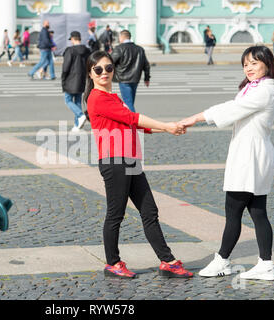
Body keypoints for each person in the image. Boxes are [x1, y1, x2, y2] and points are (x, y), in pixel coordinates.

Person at [83, 50, 193, 279]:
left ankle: (168, 262)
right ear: (91, 73)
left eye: (109, 68)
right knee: (115, 215)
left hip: (130, 160)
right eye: (98, 69)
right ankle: (113, 263)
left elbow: (131, 122)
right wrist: (166, 125)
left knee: (149, 211)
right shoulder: (97, 98)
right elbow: (133, 118)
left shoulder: (113, 97)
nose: (105, 72)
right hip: (115, 161)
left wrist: (167, 128)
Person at [179, 46, 274, 281]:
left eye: (254, 63)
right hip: (252, 154)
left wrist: (195, 117)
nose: (248, 68)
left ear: (267, 64)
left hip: (250, 157)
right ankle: (265, 264)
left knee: (233, 211)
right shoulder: (255, 87)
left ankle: (222, 260)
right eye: (245, 63)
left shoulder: (263, 91)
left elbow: (232, 109)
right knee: (257, 211)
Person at [111, 30, 150, 113]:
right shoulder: (139, 49)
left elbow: (110, 62)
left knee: (128, 103)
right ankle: (129, 123)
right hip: (135, 79)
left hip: (124, 79)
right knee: (130, 102)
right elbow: (146, 65)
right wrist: (147, 78)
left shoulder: (119, 48)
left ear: (121, 37)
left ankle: (134, 123)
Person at [61, 31, 91, 133]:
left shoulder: (70, 50)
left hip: (70, 78)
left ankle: (80, 115)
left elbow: (66, 67)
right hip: (82, 78)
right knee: (77, 101)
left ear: (73, 39)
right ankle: (77, 125)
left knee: (68, 100)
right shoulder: (87, 50)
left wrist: (63, 78)